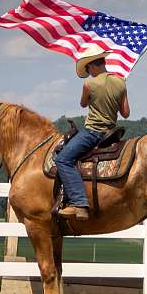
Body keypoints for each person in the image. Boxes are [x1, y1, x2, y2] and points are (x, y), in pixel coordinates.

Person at [55, 45, 130, 220]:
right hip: (111, 132)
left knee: (63, 159)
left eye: (88, 69)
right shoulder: (121, 82)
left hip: (93, 132)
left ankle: (79, 203)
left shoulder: (89, 84)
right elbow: (126, 113)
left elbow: (83, 104)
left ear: (93, 66)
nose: (88, 72)